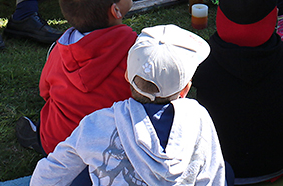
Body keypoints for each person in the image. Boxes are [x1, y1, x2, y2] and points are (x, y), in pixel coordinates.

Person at [30, 24, 228, 186]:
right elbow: (214, 176)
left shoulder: (98, 124)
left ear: (126, 76)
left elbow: (50, 174)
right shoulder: (199, 118)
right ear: (185, 89)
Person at [192, 0, 283, 184]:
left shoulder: (204, 59)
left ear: (220, 12)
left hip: (218, 165)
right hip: (277, 163)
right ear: (273, 15)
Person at [16, 0, 138, 155]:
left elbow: (45, 92)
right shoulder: (136, 51)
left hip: (58, 145)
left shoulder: (60, 48)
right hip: (111, 151)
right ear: (115, 10)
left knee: (51, 112)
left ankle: (37, 136)